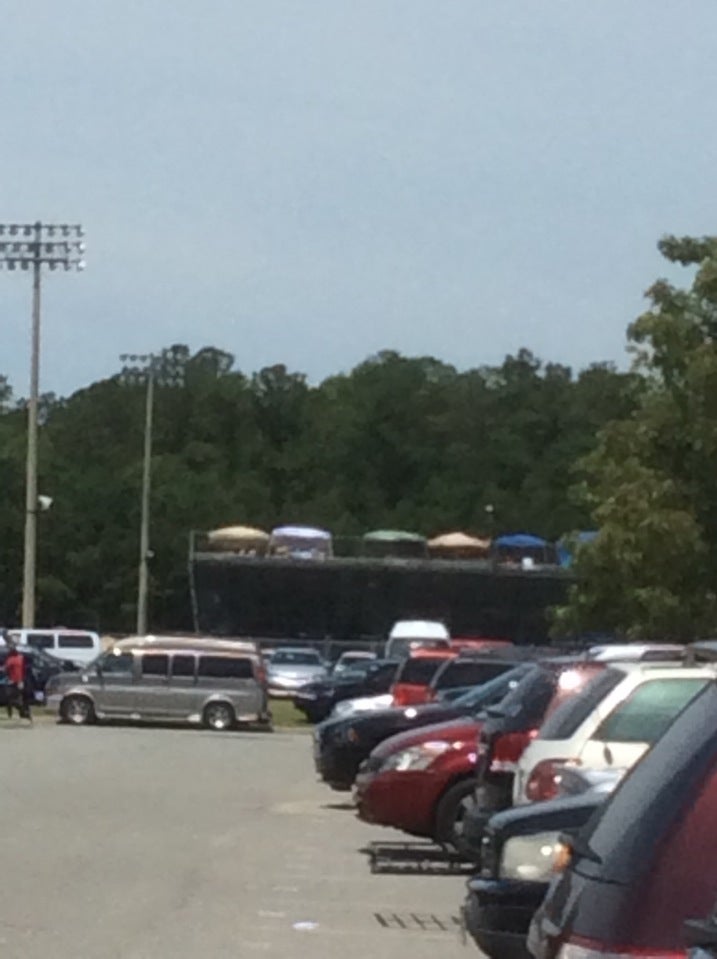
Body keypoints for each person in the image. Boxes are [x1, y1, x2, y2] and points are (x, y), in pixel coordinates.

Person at [4, 644, 26, 720]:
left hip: (12, 681)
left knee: (9, 698)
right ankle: (22, 712)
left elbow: (5, 668)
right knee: (19, 697)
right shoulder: (20, 658)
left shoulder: (10, 660)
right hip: (20, 680)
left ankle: (11, 713)